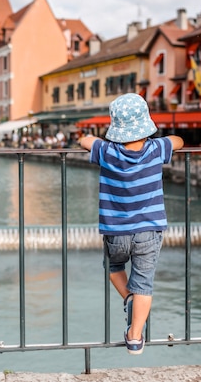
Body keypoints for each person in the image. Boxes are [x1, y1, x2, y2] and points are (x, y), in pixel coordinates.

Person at [79, 93, 184, 355]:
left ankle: (128, 298)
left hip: (115, 231)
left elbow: (84, 140)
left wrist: (99, 139)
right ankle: (135, 337)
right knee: (144, 283)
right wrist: (166, 138)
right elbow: (178, 141)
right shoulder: (157, 149)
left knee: (114, 266)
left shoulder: (106, 151)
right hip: (149, 230)